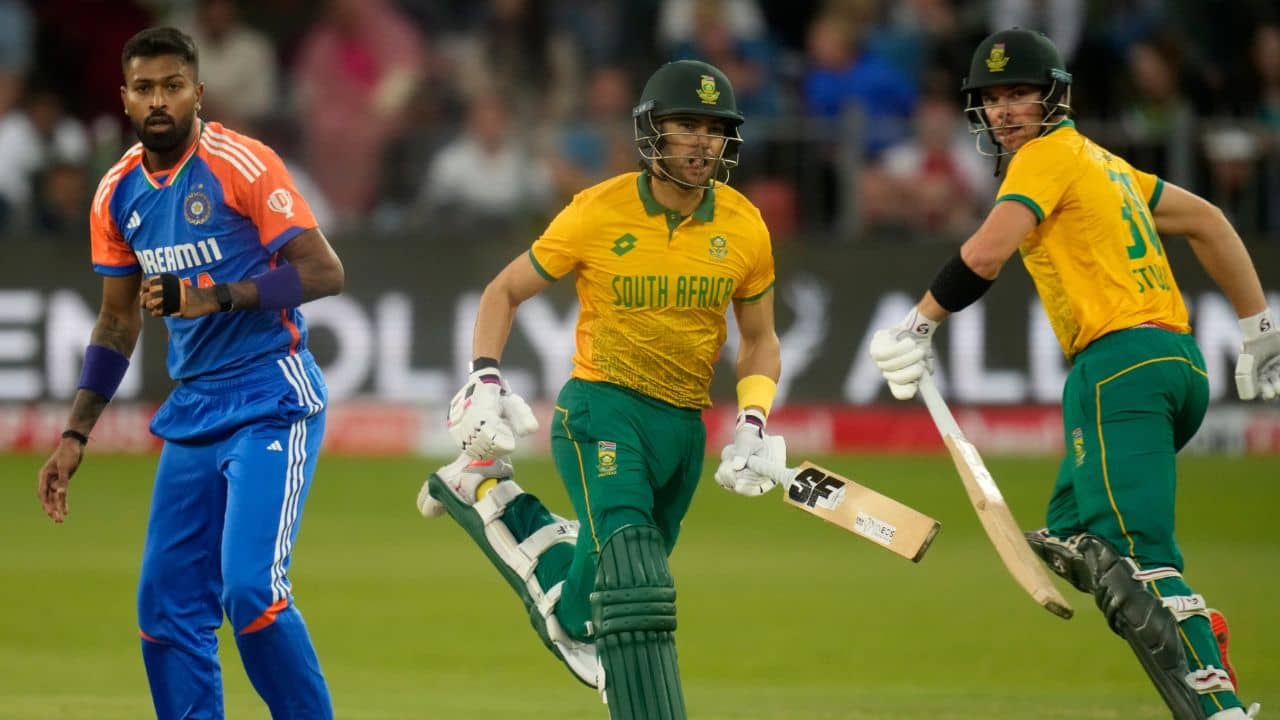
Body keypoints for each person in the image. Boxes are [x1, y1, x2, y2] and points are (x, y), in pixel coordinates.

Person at [869, 28, 1273, 720]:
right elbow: (1208, 220)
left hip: (1118, 371)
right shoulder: (1104, 164)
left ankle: (1220, 705)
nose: (1003, 110)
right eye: (991, 98)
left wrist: (919, 323)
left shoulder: (1043, 156)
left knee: (1140, 560)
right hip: (1177, 368)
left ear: (1054, 98)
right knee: (1074, 536)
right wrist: (1259, 326)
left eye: (1019, 94)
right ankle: (1197, 630)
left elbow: (988, 251)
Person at [417, 59, 785, 719]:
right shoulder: (598, 211)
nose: (702, 142)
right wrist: (485, 375)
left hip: (683, 429)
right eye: (686, 125)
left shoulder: (745, 225)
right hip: (601, 410)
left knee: (597, 606)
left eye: (714, 129)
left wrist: (754, 421)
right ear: (652, 131)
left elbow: (759, 340)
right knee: (632, 573)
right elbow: (505, 290)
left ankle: (487, 493)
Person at [36, 27, 343, 719]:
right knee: (165, 610)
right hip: (196, 409)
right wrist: (75, 434)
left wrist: (215, 296)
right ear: (124, 98)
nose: (159, 100)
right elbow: (117, 321)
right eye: (144, 88)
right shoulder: (116, 193)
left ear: (197, 93)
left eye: (172, 86)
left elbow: (325, 271)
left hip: (271, 394)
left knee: (250, 593)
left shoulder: (243, 164)